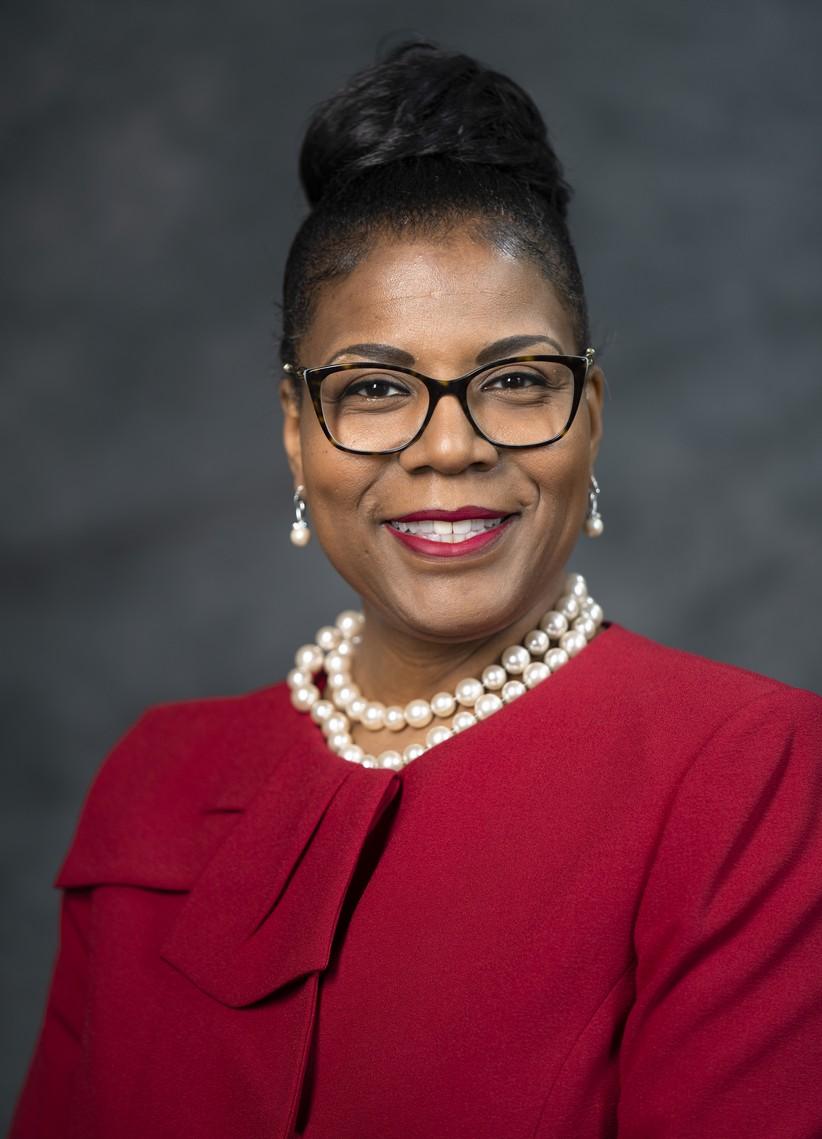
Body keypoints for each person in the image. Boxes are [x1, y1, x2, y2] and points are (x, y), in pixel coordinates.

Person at [10, 40, 822, 1139]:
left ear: (589, 413)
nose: (450, 446)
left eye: (517, 379)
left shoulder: (748, 773)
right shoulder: (154, 779)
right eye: (376, 388)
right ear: (298, 430)